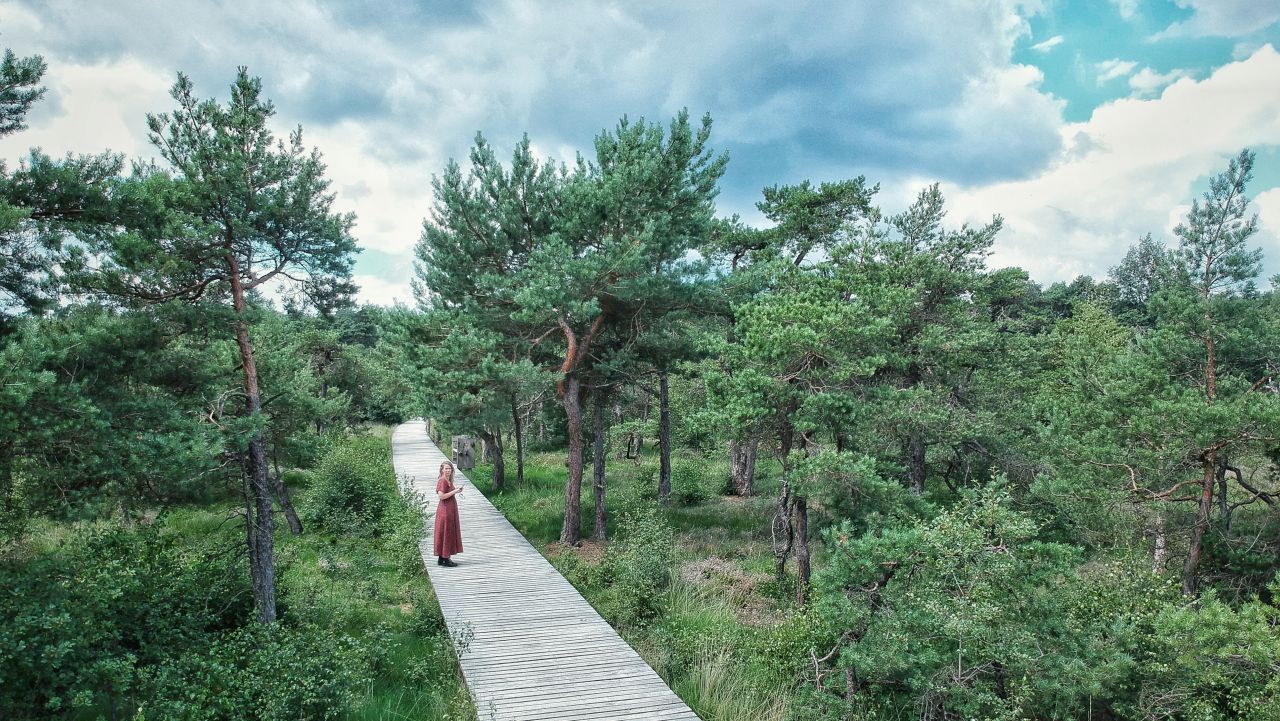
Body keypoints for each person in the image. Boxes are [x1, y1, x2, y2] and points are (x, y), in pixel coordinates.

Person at [434, 460, 464, 567]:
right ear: (442, 470)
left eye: (449, 468)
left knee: (445, 532)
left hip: (449, 510)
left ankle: (442, 557)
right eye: (446, 468)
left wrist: (456, 490)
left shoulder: (448, 480)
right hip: (445, 511)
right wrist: (454, 491)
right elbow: (441, 496)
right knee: (446, 532)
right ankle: (446, 558)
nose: (448, 470)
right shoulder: (442, 480)